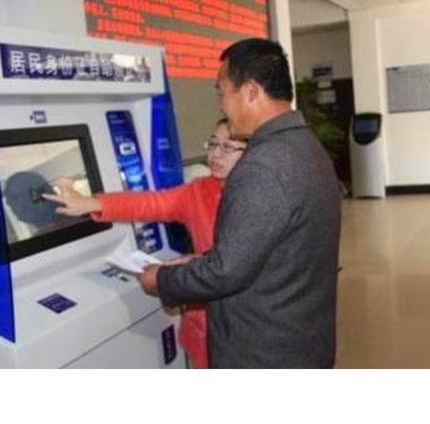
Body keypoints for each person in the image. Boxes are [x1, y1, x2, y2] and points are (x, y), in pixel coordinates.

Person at [137, 38, 342, 368]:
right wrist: (200, 260)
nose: (221, 105)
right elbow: (265, 247)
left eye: (222, 93)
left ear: (250, 91)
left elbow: (226, 272)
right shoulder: (305, 145)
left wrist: (161, 281)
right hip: (303, 340)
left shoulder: (262, 166)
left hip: (263, 354)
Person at [43, 118, 247, 368]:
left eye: (228, 147)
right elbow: (150, 203)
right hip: (204, 327)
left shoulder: (261, 197)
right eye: (213, 144)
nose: (216, 154)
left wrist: (188, 266)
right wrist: (90, 203)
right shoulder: (198, 192)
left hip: (245, 329)